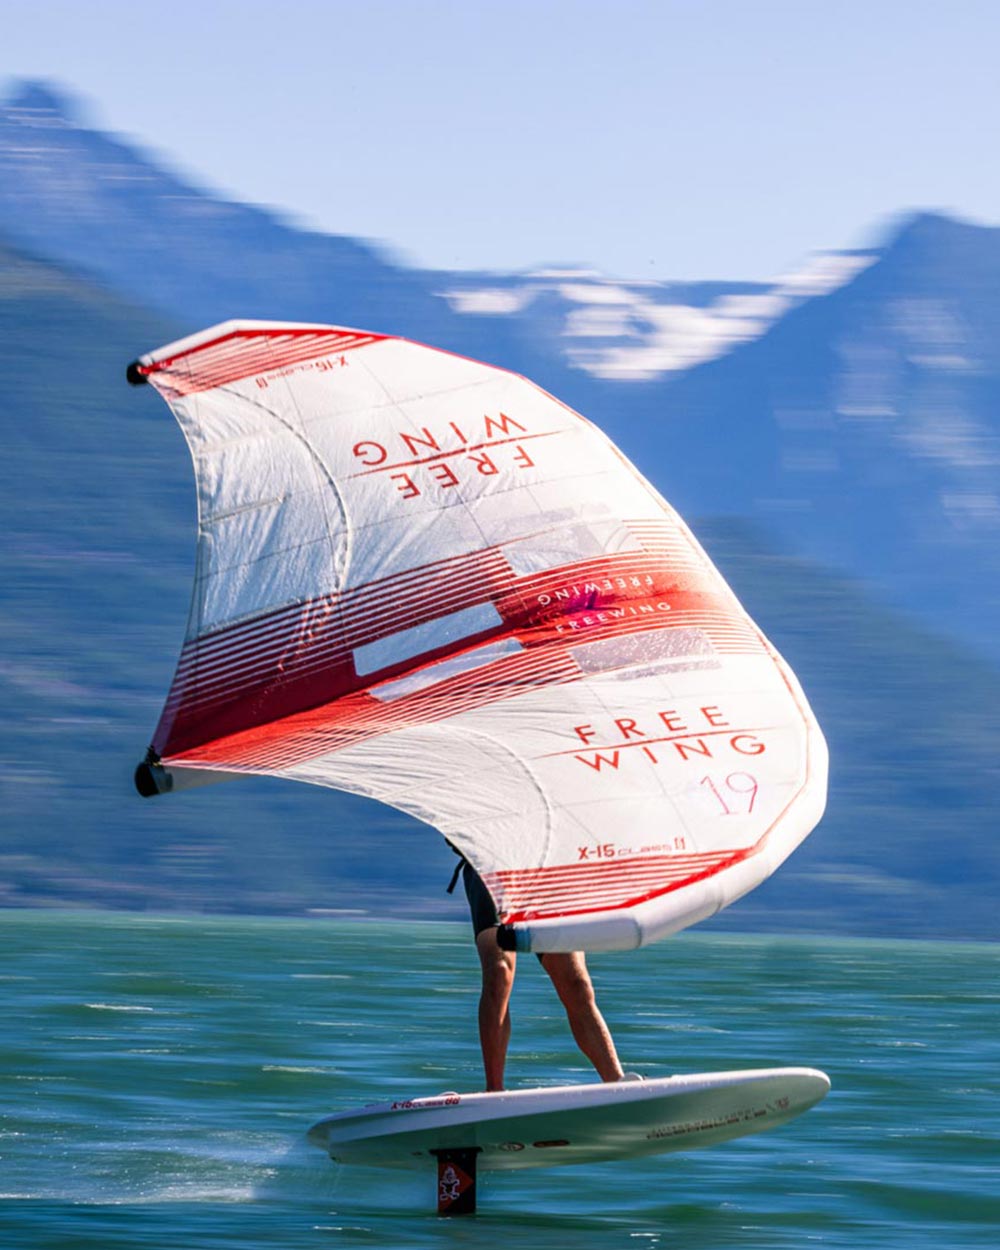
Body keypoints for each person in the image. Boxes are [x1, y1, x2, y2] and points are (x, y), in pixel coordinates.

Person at [460, 860, 628, 1091]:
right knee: (499, 973)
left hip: (545, 868)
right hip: (491, 863)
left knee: (576, 984)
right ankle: (494, 1090)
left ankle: (618, 1084)